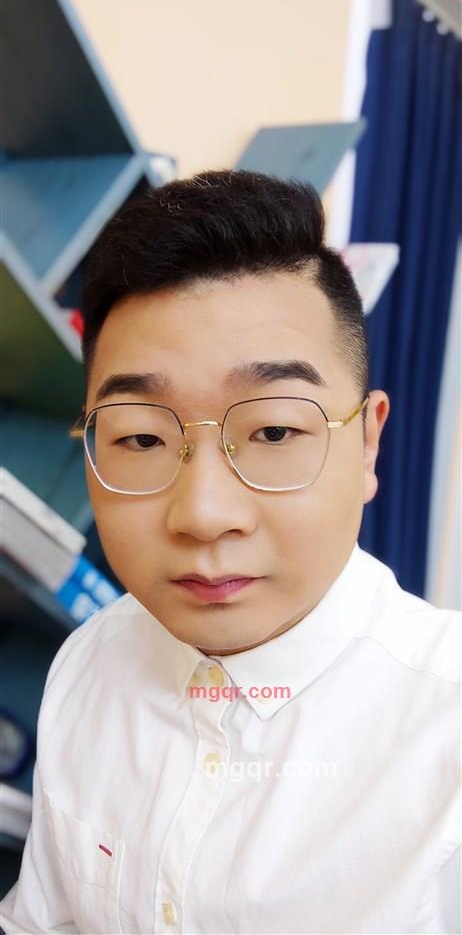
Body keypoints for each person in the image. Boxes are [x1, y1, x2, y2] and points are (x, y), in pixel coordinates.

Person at [1, 171, 459, 935]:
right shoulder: (89, 661)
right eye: (140, 437)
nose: (204, 515)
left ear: (367, 441)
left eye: (275, 430)